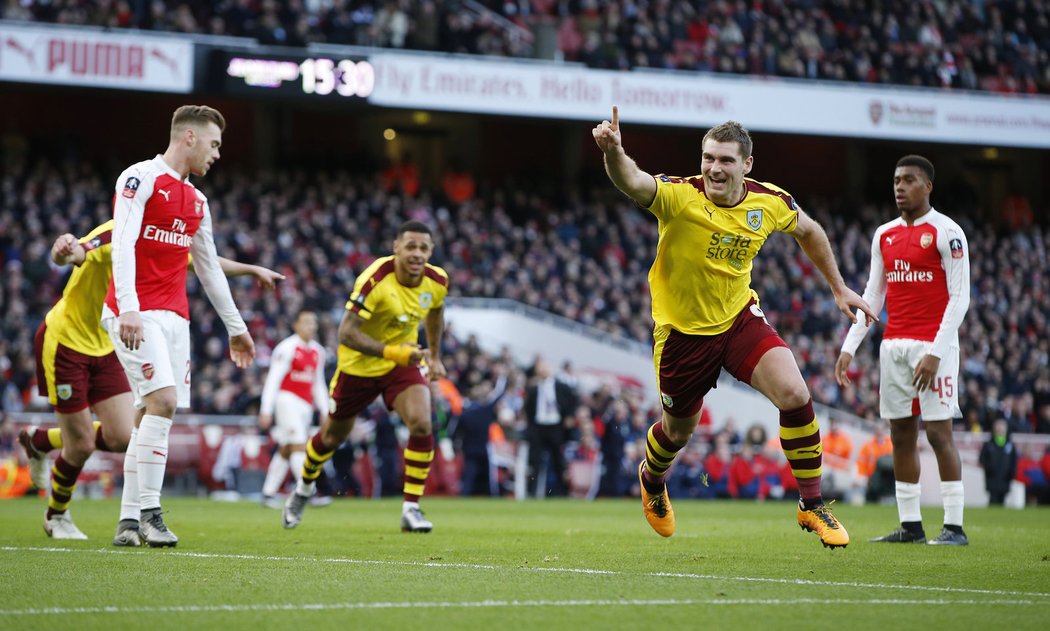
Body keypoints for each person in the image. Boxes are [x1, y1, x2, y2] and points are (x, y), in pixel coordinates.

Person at [593, 107, 876, 548]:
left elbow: (811, 231)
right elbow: (632, 180)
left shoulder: (770, 202)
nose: (713, 168)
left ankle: (812, 504)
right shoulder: (679, 196)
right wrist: (613, 152)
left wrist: (839, 288)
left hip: (738, 318)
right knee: (679, 431)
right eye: (708, 158)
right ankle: (652, 479)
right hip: (682, 336)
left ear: (747, 165)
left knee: (796, 394)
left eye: (725, 160)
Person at [19, 222, 281, 541]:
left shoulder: (160, 237)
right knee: (83, 444)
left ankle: (41, 441)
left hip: (108, 343)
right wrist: (63, 249)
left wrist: (251, 270)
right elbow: (75, 252)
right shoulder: (118, 232)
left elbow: (204, 261)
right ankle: (56, 515)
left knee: (120, 437)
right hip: (66, 342)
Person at [102, 104, 256, 547]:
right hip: (135, 312)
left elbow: (208, 269)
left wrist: (236, 326)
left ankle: (128, 524)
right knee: (164, 403)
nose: (217, 154)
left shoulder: (198, 201)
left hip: (175, 320)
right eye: (214, 144)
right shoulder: (139, 178)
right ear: (189, 137)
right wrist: (128, 306)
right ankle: (151, 513)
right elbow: (123, 242)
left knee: (146, 415)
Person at [836, 154, 971, 546]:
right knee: (900, 435)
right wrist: (850, 346)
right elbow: (873, 295)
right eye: (897, 180)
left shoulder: (948, 232)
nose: (900, 186)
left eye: (909, 180)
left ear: (928, 186)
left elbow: (959, 298)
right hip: (893, 346)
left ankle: (954, 527)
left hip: (934, 346)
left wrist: (937, 351)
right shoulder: (884, 235)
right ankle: (910, 525)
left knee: (939, 435)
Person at [282, 220, 448, 533]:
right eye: (410, 246)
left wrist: (436, 356)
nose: (417, 253)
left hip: (401, 362)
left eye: (423, 248)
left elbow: (436, 312)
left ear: (431, 251)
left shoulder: (437, 281)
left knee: (423, 422)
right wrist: (391, 352)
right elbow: (346, 333)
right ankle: (303, 490)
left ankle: (411, 508)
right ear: (396, 247)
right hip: (357, 367)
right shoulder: (375, 279)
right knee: (332, 437)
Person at [258, 309, 329, 508]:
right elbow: (273, 379)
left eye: (313, 322)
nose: (311, 326)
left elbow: (318, 383)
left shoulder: (318, 351)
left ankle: (268, 493)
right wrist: (266, 409)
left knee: (287, 448)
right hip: (286, 400)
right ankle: (308, 492)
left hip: (305, 406)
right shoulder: (286, 348)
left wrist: (324, 410)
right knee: (299, 444)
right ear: (296, 325)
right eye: (306, 322)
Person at [978, 418, 1017, 505]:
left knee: (1002, 500)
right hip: (992, 479)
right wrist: (989, 468)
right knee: (993, 499)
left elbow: (1014, 461)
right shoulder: (989, 444)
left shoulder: (1010, 445)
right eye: (998, 425)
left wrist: (1011, 473)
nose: (1000, 428)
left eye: (1002, 426)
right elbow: (982, 458)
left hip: (1005, 479)